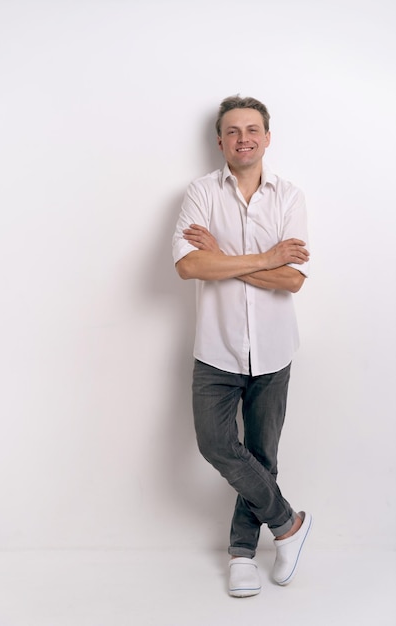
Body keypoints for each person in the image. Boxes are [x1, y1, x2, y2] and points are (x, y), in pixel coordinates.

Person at [172, 96, 312, 597]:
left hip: (275, 349)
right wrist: (265, 258)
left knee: (260, 453)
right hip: (217, 348)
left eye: (253, 129)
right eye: (233, 131)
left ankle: (241, 554)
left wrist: (225, 257)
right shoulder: (200, 193)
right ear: (220, 141)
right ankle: (289, 524)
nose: (244, 137)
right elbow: (189, 266)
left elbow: (293, 279)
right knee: (215, 445)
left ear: (267, 137)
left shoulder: (289, 196)